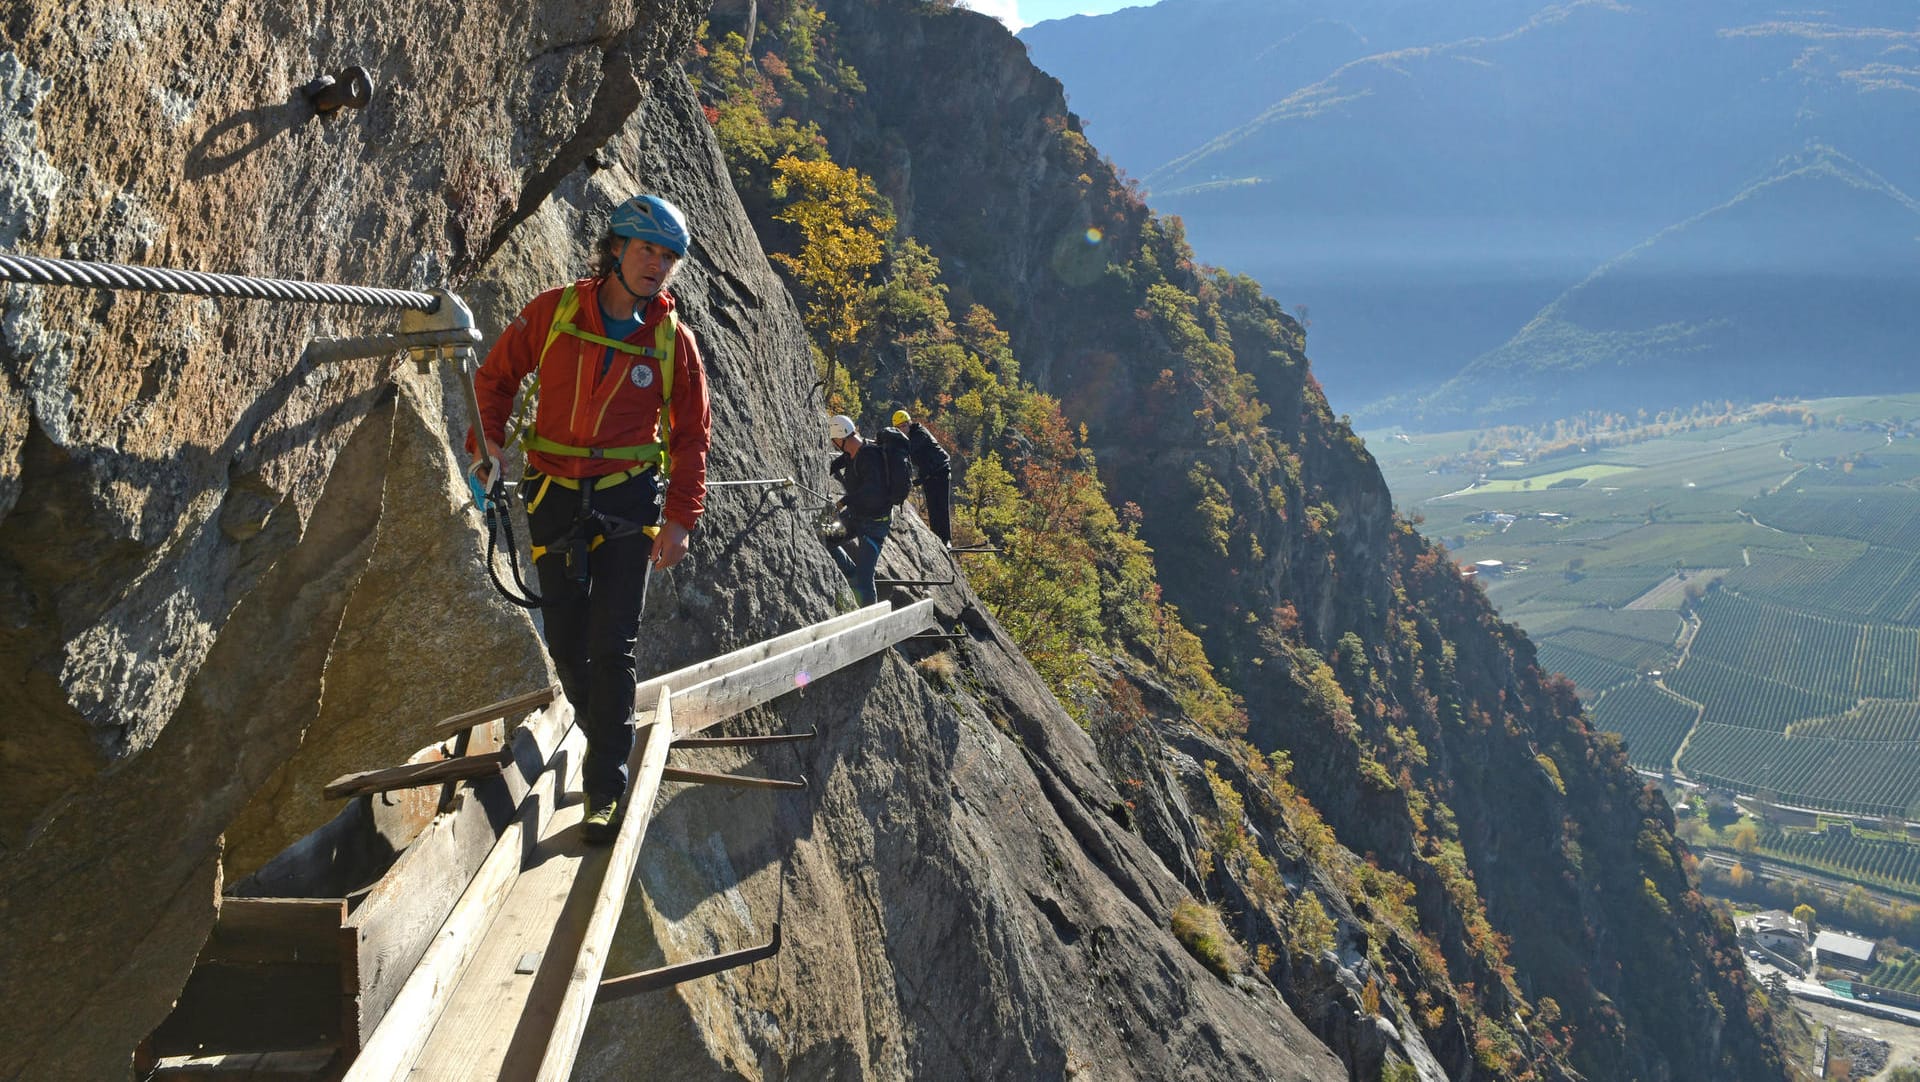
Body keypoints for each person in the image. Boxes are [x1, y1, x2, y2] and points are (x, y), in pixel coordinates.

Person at [469, 193, 711, 843]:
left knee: (614, 646)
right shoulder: (554, 313)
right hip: (552, 495)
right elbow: (494, 380)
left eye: (667, 257)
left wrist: (682, 520)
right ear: (615, 249)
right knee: (567, 645)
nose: (656, 265)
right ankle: (606, 732)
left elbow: (692, 435)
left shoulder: (671, 342)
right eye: (645, 250)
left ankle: (606, 783)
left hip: (628, 503)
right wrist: (486, 448)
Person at [825, 414, 892, 606]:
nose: (834, 443)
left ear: (841, 438)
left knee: (865, 579)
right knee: (825, 537)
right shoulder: (850, 454)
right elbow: (830, 466)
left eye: (834, 440)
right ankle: (851, 572)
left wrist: (843, 502)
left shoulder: (871, 456)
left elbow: (871, 490)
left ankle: (871, 625)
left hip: (875, 525)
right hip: (856, 516)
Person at [892, 409, 952, 545]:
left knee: (941, 506)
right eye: (899, 427)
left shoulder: (920, 433)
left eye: (904, 425)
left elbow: (909, 449)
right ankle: (937, 537)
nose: (903, 429)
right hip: (928, 474)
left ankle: (946, 539)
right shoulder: (906, 437)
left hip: (941, 471)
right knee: (932, 506)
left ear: (909, 423)